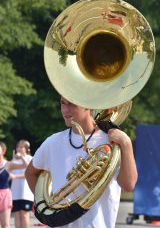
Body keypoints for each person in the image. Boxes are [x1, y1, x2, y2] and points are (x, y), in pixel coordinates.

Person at [25, 97, 138, 228]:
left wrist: (126, 143)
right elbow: (30, 173)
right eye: (63, 103)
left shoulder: (114, 142)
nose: (65, 110)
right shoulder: (52, 142)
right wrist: (50, 206)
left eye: (72, 104)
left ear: (88, 106)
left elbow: (128, 185)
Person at [0, 141, 29, 228]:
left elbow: (25, 165)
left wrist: (21, 157)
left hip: (4, 195)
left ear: (3, 151)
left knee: (5, 224)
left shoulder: (8, 165)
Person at [10, 140, 34, 228]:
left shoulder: (30, 158)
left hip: (26, 193)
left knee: (24, 215)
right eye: (17, 147)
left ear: (26, 149)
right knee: (16, 215)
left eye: (21, 147)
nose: (18, 149)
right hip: (15, 193)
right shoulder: (14, 159)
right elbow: (9, 171)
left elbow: (29, 172)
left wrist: (22, 157)